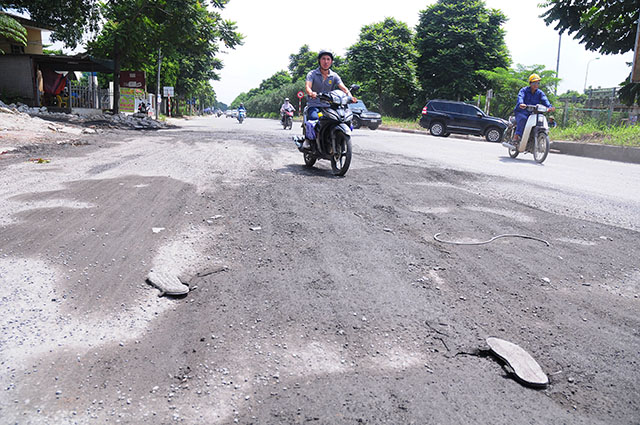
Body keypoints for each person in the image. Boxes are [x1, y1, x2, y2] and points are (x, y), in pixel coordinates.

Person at [303, 50, 356, 148]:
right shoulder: (312, 74)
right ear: (319, 61)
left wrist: (350, 96)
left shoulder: (334, 76)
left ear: (331, 62)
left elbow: (344, 88)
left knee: (343, 119)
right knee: (314, 119)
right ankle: (308, 140)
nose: (326, 61)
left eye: (328, 59)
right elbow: (307, 87)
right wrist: (311, 93)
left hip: (329, 106)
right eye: (323, 59)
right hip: (315, 105)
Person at [509, 74, 555, 146]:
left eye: (537, 83)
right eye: (534, 83)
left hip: (533, 113)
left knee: (540, 122)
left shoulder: (540, 93)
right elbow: (520, 97)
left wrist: (549, 107)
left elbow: (545, 100)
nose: (536, 85)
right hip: (522, 111)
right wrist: (521, 103)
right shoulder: (524, 90)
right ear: (530, 83)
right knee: (523, 119)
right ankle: (516, 137)